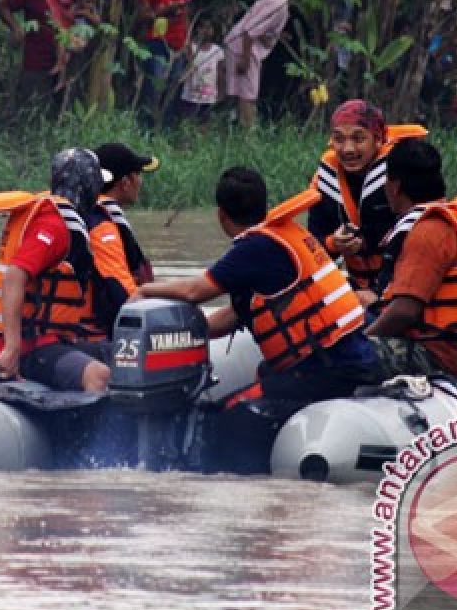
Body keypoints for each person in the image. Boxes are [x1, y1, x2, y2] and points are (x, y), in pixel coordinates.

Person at [132, 167, 380, 407]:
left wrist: (145, 290)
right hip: (351, 359)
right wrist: (183, 334)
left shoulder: (254, 248)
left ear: (221, 215)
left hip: (326, 369)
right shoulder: (283, 234)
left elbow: (195, 291)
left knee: (230, 412)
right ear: (264, 205)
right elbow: (235, 315)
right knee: (263, 374)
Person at [364, 139, 457, 378]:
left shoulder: (428, 232)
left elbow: (404, 312)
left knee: (335, 354)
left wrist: (363, 338)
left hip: (437, 353)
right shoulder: (452, 219)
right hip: (452, 348)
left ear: (395, 186)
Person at [0, 148, 112, 393]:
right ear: (87, 186)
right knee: (98, 375)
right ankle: (91, 431)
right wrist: (12, 349)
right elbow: (15, 276)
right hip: (33, 347)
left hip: (53, 340)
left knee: (123, 355)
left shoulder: (57, 217)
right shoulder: (53, 224)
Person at [308, 100, 427, 292]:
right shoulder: (324, 180)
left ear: (378, 139)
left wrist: (364, 243)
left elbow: (422, 240)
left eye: (358, 139)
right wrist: (334, 243)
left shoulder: (401, 172)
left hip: (403, 287)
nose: (348, 149)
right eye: (339, 139)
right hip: (359, 288)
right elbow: (313, 248)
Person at [88, 143, 158, 332]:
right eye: (138, 175)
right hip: (98, 336)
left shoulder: (94, 215)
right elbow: (124, 293)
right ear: (125, 183)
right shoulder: (102, 227)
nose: (140, 182)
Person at [0, 0, 78, 109]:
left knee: (61, 106)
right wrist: (16, 27)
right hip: (35, 59)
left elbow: (79, 17)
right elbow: (3, 6)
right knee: (30, 105)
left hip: (65, 58)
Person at [136, 0, 191, 115]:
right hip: (158, 41)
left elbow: (186, 15)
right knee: (154, 83)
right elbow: (143, 15)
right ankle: (147, 122)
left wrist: (188, 41)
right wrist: (165, 11)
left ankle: (167, 124)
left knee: (174, 84)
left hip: (179, 42)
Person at [225, 0, 290, 128]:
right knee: (248, 94)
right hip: (244, 48)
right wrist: (245, 58)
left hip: (243, 46)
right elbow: (251, 31)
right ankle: (249, 136)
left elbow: (261, 30)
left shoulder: (278, 1)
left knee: (241, 91)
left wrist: (276, 36)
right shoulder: (280, 5)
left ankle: (236, 128)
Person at [175, 20, 225, 126]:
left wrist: (220, 93)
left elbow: (220, 74)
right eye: (203, 27)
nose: (206, 31)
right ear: (198, 29)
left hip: (209, 97)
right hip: (190, 96)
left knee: (204, 125)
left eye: (209, 28)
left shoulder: (218, 51)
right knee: (187, 124)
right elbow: (186, 67)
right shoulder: (191, 48)